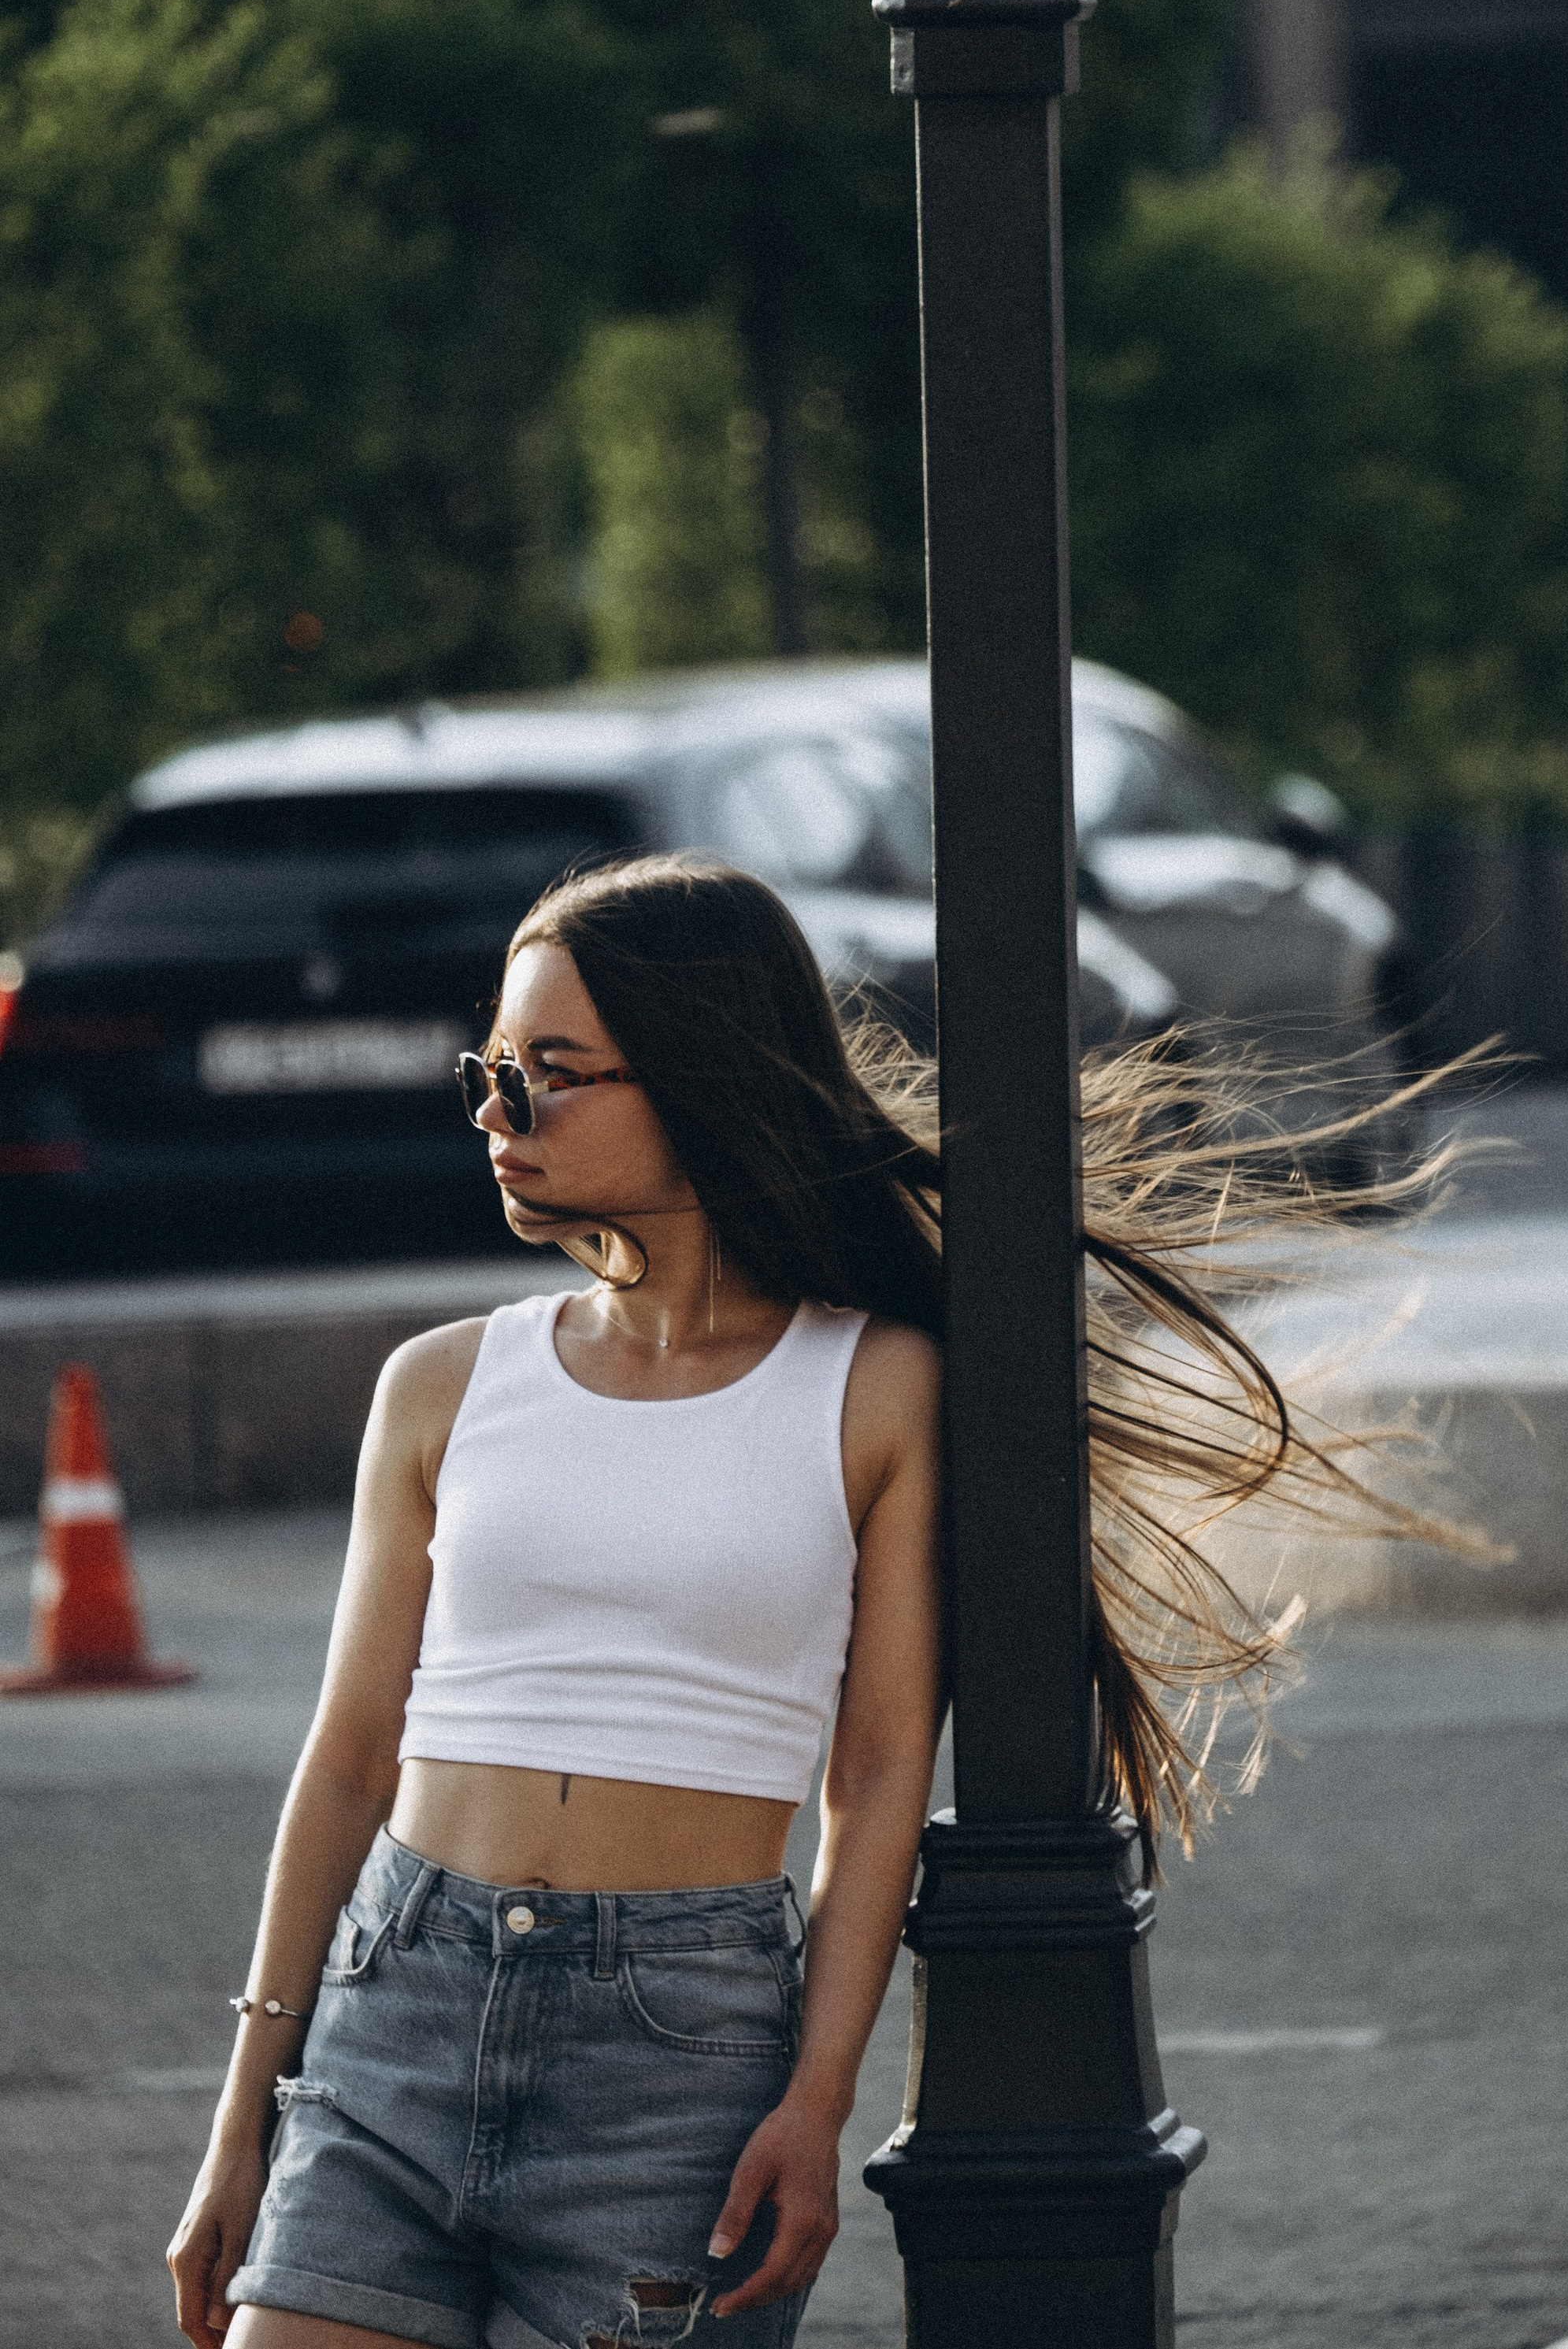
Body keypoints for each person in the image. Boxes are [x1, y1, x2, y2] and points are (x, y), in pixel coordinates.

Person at [169, 853, 1455, 2349]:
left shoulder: (872, 1388)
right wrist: (241, 2117)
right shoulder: (443, 1385)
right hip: (394, 2012)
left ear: (702, 1077)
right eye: (492, 1071)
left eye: (549, 1076)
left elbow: (876, 1770)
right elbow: (345, 1759)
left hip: (672, 2055)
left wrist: (818, 2095)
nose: (495, 1118)